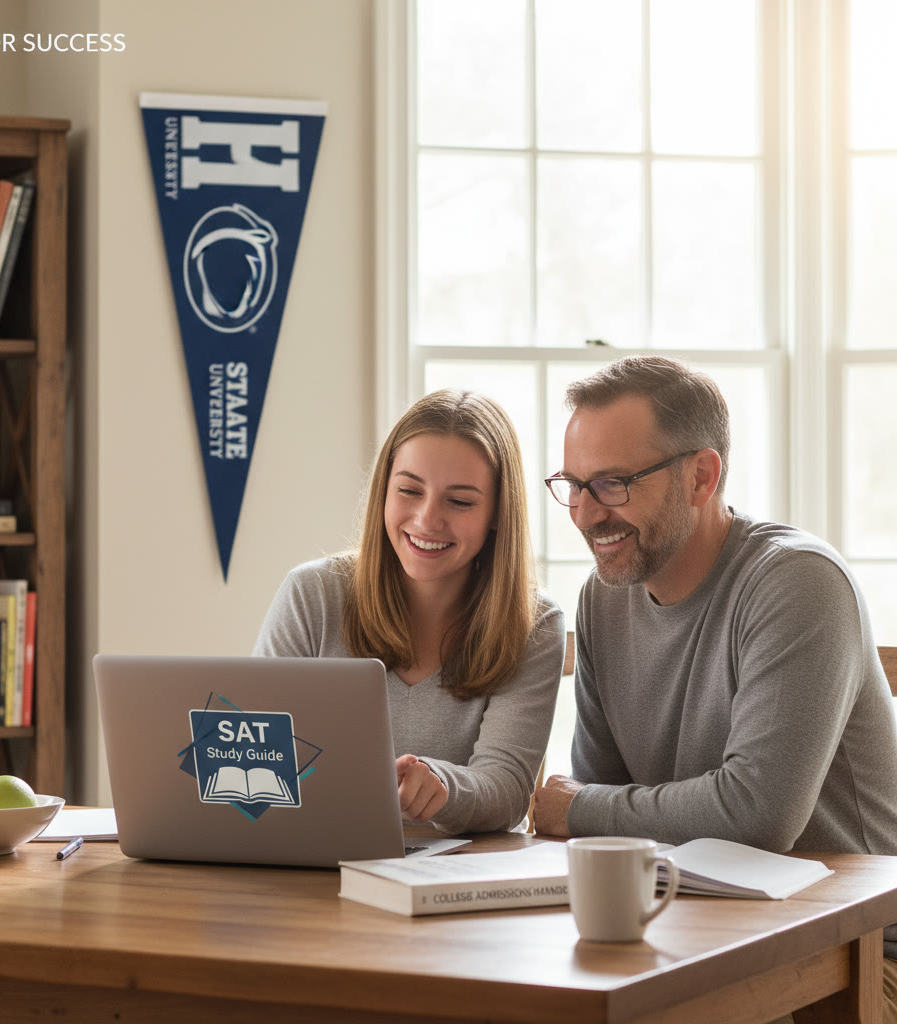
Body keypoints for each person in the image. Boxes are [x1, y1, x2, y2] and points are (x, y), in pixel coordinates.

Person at [533, 355, 897, 1020]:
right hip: (704, 937)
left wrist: (579, 807)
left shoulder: (797, 583)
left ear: (702, 476)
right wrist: (584, 810)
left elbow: (757, 817)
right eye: (573, 484)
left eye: (613, 484)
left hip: (861, 958)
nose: (586, 515)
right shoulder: (603, 600)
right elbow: (602, 832)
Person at [254, 389, 565, 834]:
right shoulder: (313, 594)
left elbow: (508, 789)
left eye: (459, 501)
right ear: (385, 489)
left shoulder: (534, 624)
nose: (426, 520)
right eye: (409, 490)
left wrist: (442, 787)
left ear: (497, 512)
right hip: (316, 860)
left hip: (456, 881)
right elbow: (255, 753)